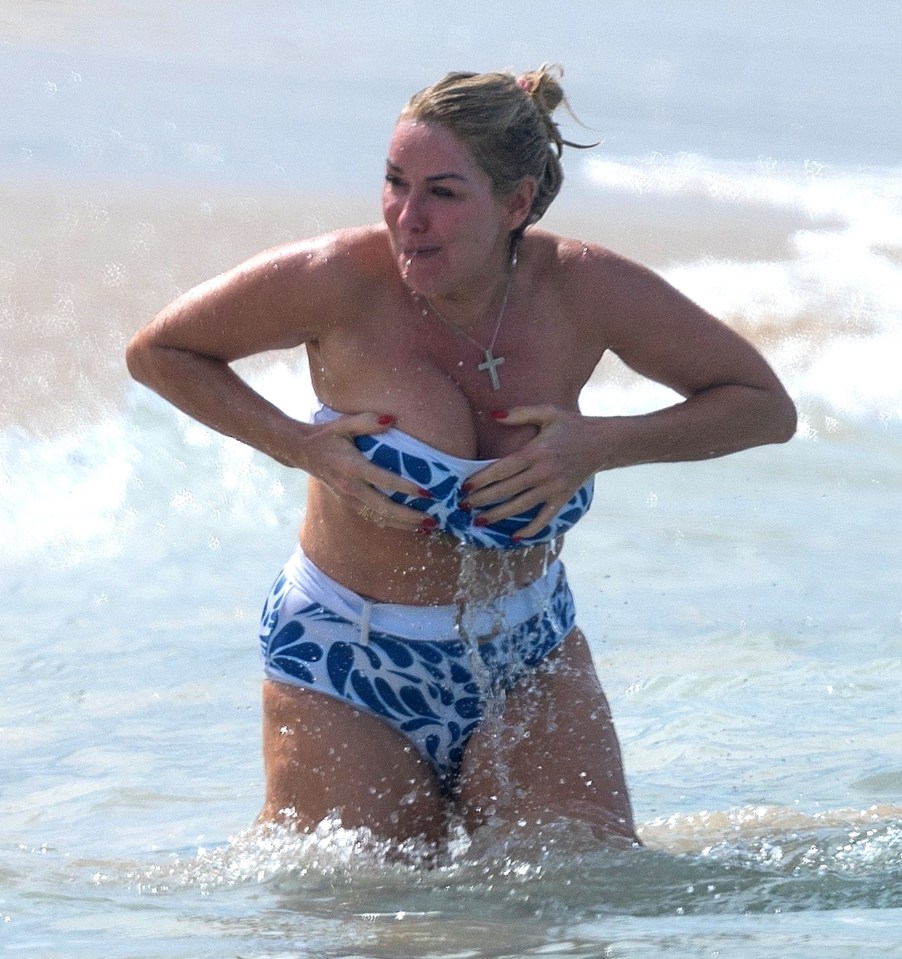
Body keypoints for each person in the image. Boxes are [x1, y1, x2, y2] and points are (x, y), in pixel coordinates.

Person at [126, 65, 796, 850]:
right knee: (368, 919)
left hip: (529, 658)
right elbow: (160, 350)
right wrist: (301, 446)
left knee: (578, 896)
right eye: (394, 182)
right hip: (348, 660)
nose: (408, 217)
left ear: (515, 204)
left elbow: (763, 406)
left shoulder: (584, 290)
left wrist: (601, 443)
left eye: (443, 192)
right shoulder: (340, 281)